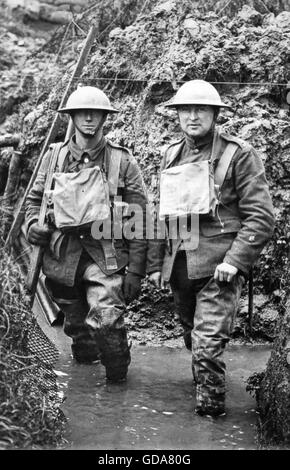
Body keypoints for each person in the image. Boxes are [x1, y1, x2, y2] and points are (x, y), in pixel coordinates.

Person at [147, 79, 275, 416]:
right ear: (177, 115)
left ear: (215, 114)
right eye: (185, 110)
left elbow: (261, 217)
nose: (192, 116)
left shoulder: (239, 154)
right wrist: (160, 263)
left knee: (205, 347)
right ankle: (205, 385)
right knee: (193, 339)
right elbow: (164, 214)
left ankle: (210, 416)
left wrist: (235, 261)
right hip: (181, 268)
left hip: (219, 270)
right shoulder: (170, 154)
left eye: (200, 109)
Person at [25, 86, 148, 382]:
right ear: (72, 116)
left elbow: (141, 218)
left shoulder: (122, 161)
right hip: (62, 257)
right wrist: (33, 226)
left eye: (96, 113)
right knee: (80, 335)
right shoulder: (54, 157)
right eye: (83, 112)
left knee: (106, 321)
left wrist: (137, 272)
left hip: (104, 255)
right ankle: (86, 380)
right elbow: (34, 200)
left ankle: (118, 381)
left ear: (106, 117)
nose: (89, 118)